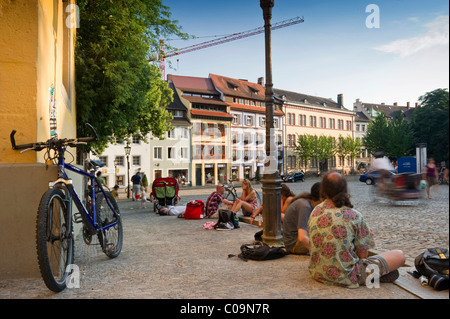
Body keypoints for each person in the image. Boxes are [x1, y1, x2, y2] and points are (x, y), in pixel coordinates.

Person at [308, 171, 405, 288]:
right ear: (345, 189)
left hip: (319, 273)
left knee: (386, 266)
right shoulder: (354, 215)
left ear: (323, 190)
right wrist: (365, 236)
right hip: (348, 276)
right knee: (399, 255)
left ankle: (377, 274)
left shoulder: (315, 211)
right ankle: (374, 275)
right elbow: (362, 256)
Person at [282, 182, 322, 255]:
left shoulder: (306, 202)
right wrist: (318, 254)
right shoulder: (305, 207)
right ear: (321, 199)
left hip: (291, 241)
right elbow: (302, 237)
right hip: (294, 245)